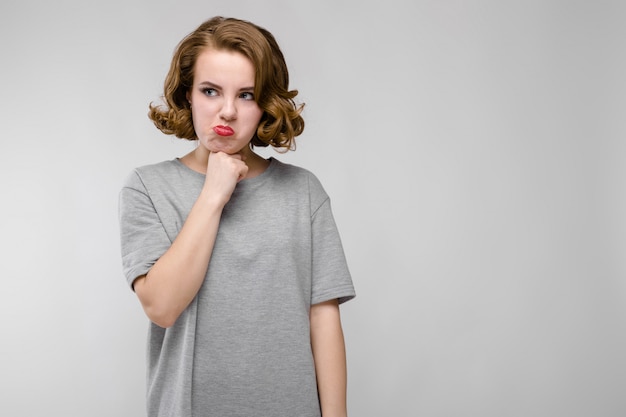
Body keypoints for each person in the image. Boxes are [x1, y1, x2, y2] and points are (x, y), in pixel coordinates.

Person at [118, 16, 355, 417]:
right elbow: (161, 306)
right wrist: (213, 194)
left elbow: (323, 318)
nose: (227, 111)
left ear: (265, 104)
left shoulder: (304, 192)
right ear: (188, 94)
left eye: (246, 95)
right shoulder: (147, 187)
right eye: (211, 91)